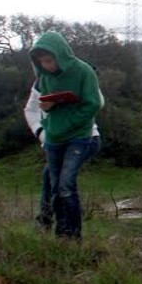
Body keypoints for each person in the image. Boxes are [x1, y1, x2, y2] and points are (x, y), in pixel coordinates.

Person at [28, 32, 103, 239]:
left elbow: (95, 103)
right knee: (54, 187)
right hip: (53, 138)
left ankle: (74, 235)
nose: (47, 65)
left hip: (79, 136)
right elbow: (35, 109)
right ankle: (61, 234)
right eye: (42, 62)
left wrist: (68, 122)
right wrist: (48, 112)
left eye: (49, 60)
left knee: (66, 185)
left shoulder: (84, 71)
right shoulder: (43, 77)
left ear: (60, 54)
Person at [25, 81, 103, 231]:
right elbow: (31, 110)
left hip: (85, 138)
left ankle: (63, 227)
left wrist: (57, 104)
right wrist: (42, 133)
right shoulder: (40, 83)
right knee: (52, 178)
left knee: (61, 181)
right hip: (55, 142)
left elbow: (98, 102)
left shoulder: (80, 74)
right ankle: (56, 224)